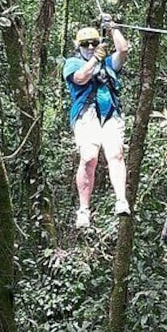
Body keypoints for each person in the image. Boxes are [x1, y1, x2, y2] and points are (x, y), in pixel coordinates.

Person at [63, 16, 130, 228]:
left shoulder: (108, 63)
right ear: (78, 46)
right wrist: (95, 59)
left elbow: (123, 51)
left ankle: (121, 200)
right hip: (86, 114)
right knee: (89, 157)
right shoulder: (73, 63)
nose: (90, 47)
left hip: (110, 113)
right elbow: (81, 77)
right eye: (85, 44)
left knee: (116, 154)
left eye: (94, 43)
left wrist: (113, 28)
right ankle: (84, 209)